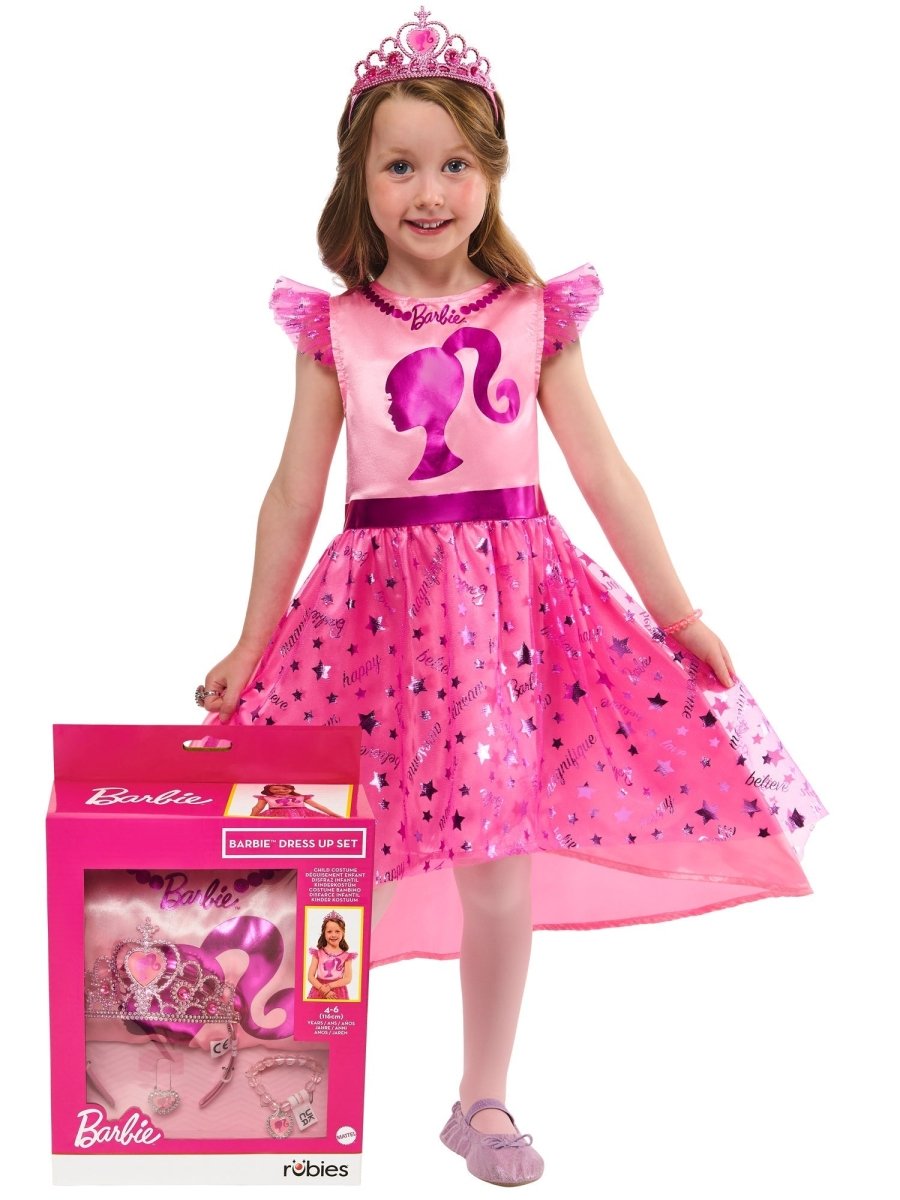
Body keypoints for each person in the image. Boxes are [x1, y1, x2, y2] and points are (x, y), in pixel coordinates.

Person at [197, 9, 826, 1185]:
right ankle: (263, 1073)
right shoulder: (337, 328)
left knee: (496, 862)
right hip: (371, 626)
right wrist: (249, 639)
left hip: (508, 624)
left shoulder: (534, 317)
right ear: (360, 177)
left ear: (491, 172)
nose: (429, 192)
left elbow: (606, 473)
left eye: (454, 165)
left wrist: (680, 615)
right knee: (312, 840)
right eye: (400, 166)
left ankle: (480, 1095)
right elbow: (292, 492)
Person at [306, 912, 357, 1000]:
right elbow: (310, 976)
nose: (333, 935)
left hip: (338, 991)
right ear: (324, 933)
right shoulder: (318, 953)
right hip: (319, 989)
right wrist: (323, 989)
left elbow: (348, 978)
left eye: (337, 931)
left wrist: (329, 986)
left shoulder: (346, 956)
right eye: (329, 931)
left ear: (343, 933)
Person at [250, 783, 336, 819]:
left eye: (285, 789)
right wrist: (251, 818)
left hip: (302, 815)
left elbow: (318, 806)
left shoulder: (301, 797)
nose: (281, 791)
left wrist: (334, 814)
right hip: (276, 815)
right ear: (269, 790)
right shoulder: (266, 798)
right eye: (275, 789)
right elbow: (257, 808)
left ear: (291, 789)